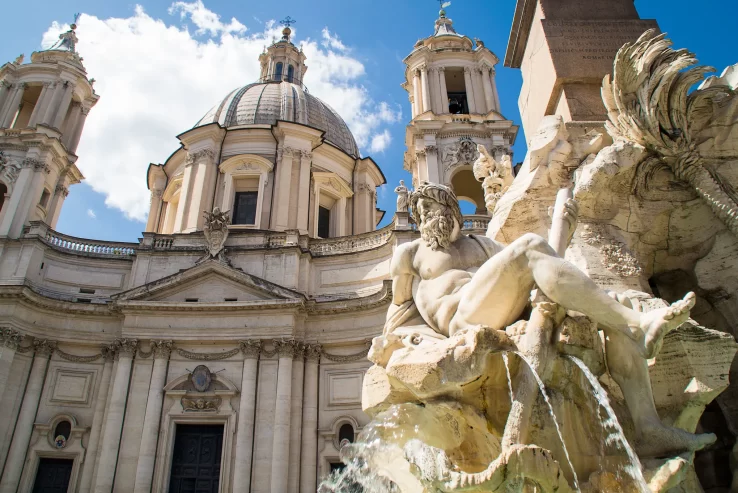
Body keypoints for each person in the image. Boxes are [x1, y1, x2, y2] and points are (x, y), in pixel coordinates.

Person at [386, 181, 715, 456]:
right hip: (461, 318)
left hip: (502, 307)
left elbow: (543, 267)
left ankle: (647, 426)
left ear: (453, 209)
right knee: (529, 244)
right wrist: (414, 340)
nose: (428, 214)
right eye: (422, 211)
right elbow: (397, 316)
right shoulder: (410, 253)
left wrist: (563, 228)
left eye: (435, 205)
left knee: (607, 304)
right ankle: (638, 323)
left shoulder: (481, 243)